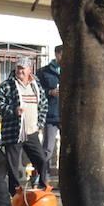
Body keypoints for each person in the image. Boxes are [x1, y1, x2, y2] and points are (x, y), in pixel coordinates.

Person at [0, 57, 49, 193]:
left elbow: (44, 105)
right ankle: (15, 194)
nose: (20, 70)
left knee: (41, 160)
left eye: (23, 68)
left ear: (30, 69)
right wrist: (13, 111)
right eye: (18, 67)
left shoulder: (35, 85)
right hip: (13, 132)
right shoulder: (6, 85)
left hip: (32, 131)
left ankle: (43, 189)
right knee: (13, 166)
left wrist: (40, 124)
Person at [36, 45, 63, 187]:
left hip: (67, 116)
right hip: (51, 115)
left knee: (67, 149)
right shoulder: (44, 72)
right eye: (62, 55)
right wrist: (49, 92)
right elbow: (38, 91)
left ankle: (64, 180)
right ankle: (43, 179)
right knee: (48, 148)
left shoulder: (71, 71)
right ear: (56, 54)